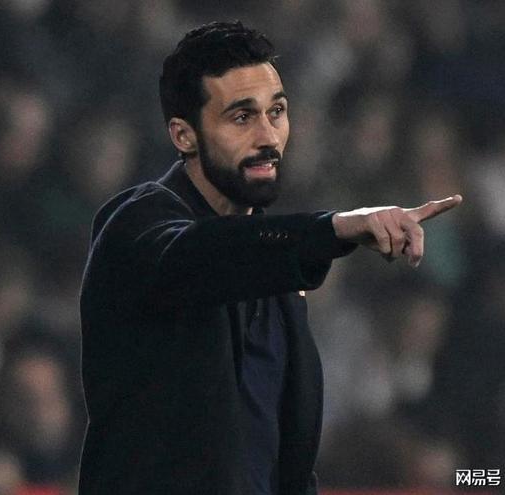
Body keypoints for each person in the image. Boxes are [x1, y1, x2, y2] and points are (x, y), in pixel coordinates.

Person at [78, 21, 462, 495]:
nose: (268, 136)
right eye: (242, 117)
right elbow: (200, 257)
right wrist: (334, 228)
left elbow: (283, 458)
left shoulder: (279, 273)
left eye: (276, 112)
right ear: (184, 135)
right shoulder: (136, 225)